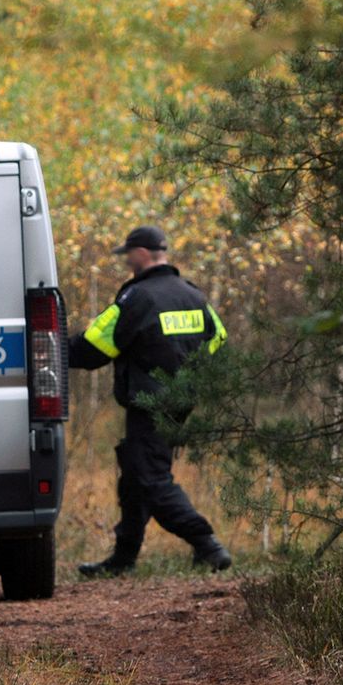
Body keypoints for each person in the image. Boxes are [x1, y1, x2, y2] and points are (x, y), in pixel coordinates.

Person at [69, 225, 233, 576]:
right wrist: (186, 373)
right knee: (134, 472)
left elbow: (92, 347)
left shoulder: (136, 298)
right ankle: (123, 559)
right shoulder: (193, 295)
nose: (127, 260)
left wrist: (48, 349)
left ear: (141, 254)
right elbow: (218, 339)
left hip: (149, 402)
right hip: (180, 403)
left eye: (128, 254)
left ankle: (207, 544)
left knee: (151, 478)